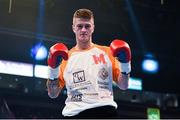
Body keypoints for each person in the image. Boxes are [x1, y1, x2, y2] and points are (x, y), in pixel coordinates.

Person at [46, 8, 131, 119]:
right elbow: (53, 94)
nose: (83, 30)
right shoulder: (65, 58)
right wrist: (53, 70)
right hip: (75, 113)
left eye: (87, 26)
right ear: (73, 28)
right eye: (79, 26)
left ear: (93, 28)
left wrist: (125, 64)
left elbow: (123, 85)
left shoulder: (107, 52)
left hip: (105, 111)